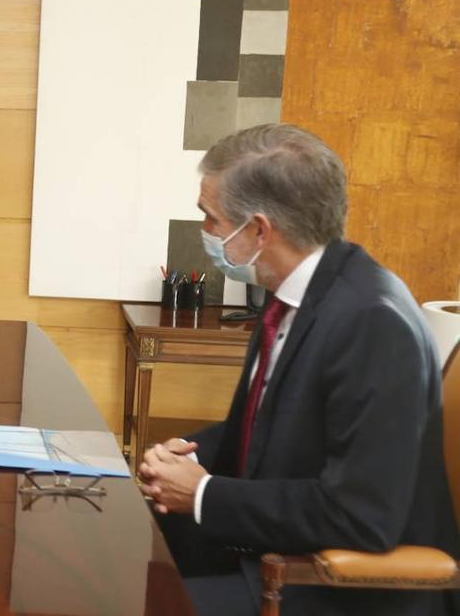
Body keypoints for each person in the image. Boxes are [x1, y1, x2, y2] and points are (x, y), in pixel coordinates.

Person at [138, 124, 459, 616]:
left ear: (260, 230)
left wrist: (202, 493)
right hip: (274, 553)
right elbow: (263, 428)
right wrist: (178, 457)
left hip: (334, 589)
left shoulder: (372, 323)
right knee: (121, 554)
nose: (205, 232)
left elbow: (360, 516)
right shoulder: (296, 297)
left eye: (211, 218)